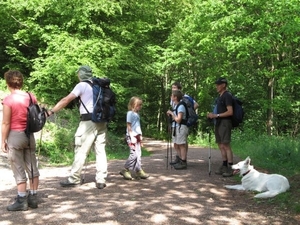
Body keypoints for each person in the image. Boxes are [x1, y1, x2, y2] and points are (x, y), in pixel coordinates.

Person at [47, 65, 108, 189]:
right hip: (102, 121)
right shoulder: (100, 85)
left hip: (88, 122)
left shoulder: (82, 85)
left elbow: (66, 100)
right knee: (100, 150)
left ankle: (74, 178)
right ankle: (101, 179)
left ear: (81, 74)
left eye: (78, 73)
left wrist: (51, 111)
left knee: (81, 150)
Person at [2, 70, 40, 211]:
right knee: (32, 167)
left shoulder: (8, 100)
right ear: (21, 82)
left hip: (15, 136)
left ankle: (21, 200)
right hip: (29, 135)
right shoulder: (31, 96)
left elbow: (6, 123)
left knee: (18, 168)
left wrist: (3, 140)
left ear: (8, 83)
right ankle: (33, 197)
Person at [207, 77, 234, 177]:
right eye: (216, 85)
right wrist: (212, 115)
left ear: (223, 85)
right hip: (218, 123)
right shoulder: (220, 96)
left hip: (225, 123)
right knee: (220, 145)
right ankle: (224, 165)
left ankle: (231, 167)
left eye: (218, 85)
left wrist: (216, 115)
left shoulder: (227, 95)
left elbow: (230, 112)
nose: (216, 87)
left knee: (226, 145)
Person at [169, 81, 199, 166]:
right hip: (176, 124)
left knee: (182, 143)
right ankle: (179, 158)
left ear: (179, 89)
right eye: (172, 88)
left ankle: (183, 160)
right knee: (177, 143)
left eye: (174, 88)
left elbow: (196, 104)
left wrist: (188, 112)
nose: (172, 89)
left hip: (181, 123)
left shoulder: (185, 98)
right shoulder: (173, 100)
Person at [119, 96, 149, 180]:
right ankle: (126, 169)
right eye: (138, 105)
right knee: (134, 154)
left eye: (141, 105)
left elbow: (137, 126)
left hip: (137, 136)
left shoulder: (137, 114)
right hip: (132, 136)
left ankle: (138, 170)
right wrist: (132, 136)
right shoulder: (130, 113)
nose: (140, 107)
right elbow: (128, 125)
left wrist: (140, 136)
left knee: (138, 154)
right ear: (133, 104)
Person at [167, 90, 189, 170]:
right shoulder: (176, 106)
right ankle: (180, 160)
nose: (171, 97)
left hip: (181, 127)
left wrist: (172, 114)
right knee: (176, 144)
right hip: (176, 127)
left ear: (175, 97)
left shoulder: (181, 106)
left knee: (181, 145)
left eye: (172, 96)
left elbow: (179, 119)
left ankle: (183, 162)